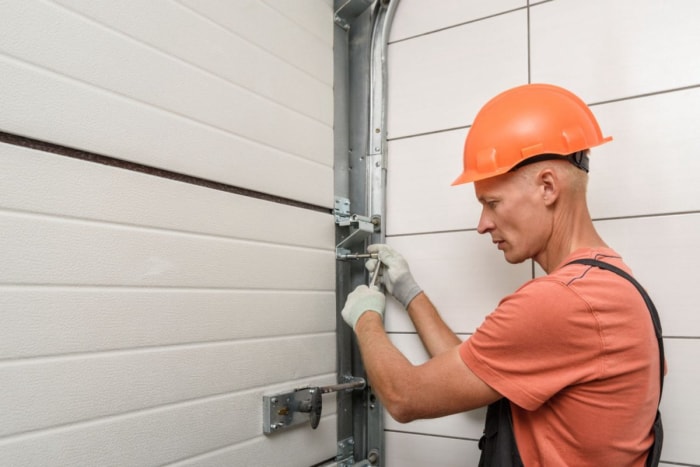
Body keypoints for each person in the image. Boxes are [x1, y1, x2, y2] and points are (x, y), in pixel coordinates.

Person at [340, 84, 662, 466]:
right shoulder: (610, 284)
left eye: (492, 203)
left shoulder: (560, 302)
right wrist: (410, 293)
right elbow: (474, 366)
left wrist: (366, 318)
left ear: (547, 187)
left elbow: (406, 397)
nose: (483, 224)